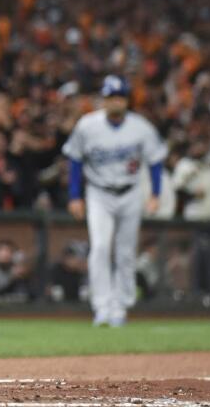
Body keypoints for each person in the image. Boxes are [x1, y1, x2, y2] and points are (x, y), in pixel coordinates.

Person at [64, 75, 166, 327]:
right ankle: (101, 306)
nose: (115, 102)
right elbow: (75, 160)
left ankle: (120, 306)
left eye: (119, 97)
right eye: (110, 97)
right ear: (104, 100)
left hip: (130, 192)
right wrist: (74, 195)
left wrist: (155, 193)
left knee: (125, 251)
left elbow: (155, 160)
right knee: (99, 247)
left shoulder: (141, 127)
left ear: (126, 100)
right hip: (98, 192)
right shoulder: (88, 125)